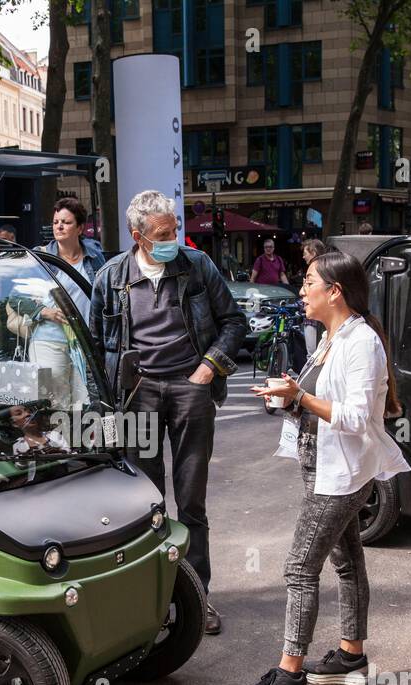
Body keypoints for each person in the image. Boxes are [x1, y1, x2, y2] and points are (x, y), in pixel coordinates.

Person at [240, 251, 410, 685]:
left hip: (342, 474)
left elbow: (356, 417)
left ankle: (290, 674)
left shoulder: (361, 343)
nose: (301, 291)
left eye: (308, 283)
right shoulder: (331, 336)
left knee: (299, 567)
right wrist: (290, 399)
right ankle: (351, 655)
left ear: (334, 291)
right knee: (348, 562)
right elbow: (320, 400)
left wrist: (301, 396)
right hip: (322, 464)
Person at [89, 189, 247, 635]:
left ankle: (197, 597)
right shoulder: (110, 277)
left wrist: (207, 369)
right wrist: (106, 403)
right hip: (137, 395)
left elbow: (234, 322)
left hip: (190, 391)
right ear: (137, 236)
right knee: (147, 501)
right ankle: (154, 599)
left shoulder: (197, 267)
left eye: (175, 229)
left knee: (191, 500)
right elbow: (95, 342)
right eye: (162, 233)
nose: (173, 238)